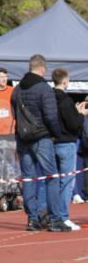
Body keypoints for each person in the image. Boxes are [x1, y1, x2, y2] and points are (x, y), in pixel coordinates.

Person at [11, 54, 63, 231]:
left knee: (29, 179)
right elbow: (50, 116)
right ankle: (55, 219)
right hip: (41, 137)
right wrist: (56, 134)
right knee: (52, 177)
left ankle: (32, 219)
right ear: (42, 68)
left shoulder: (17, 89)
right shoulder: (44, 88)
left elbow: (14, 112)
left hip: (22, 138)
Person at [51, 68, 88, 231]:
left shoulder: (48, 98)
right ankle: (63, 217)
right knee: (66, 182)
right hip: (66, 143)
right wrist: (80, 114)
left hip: (52, 143)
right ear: (65, 82)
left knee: (52, 181)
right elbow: (73, 124)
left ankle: (53, 216)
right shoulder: (65, 101)